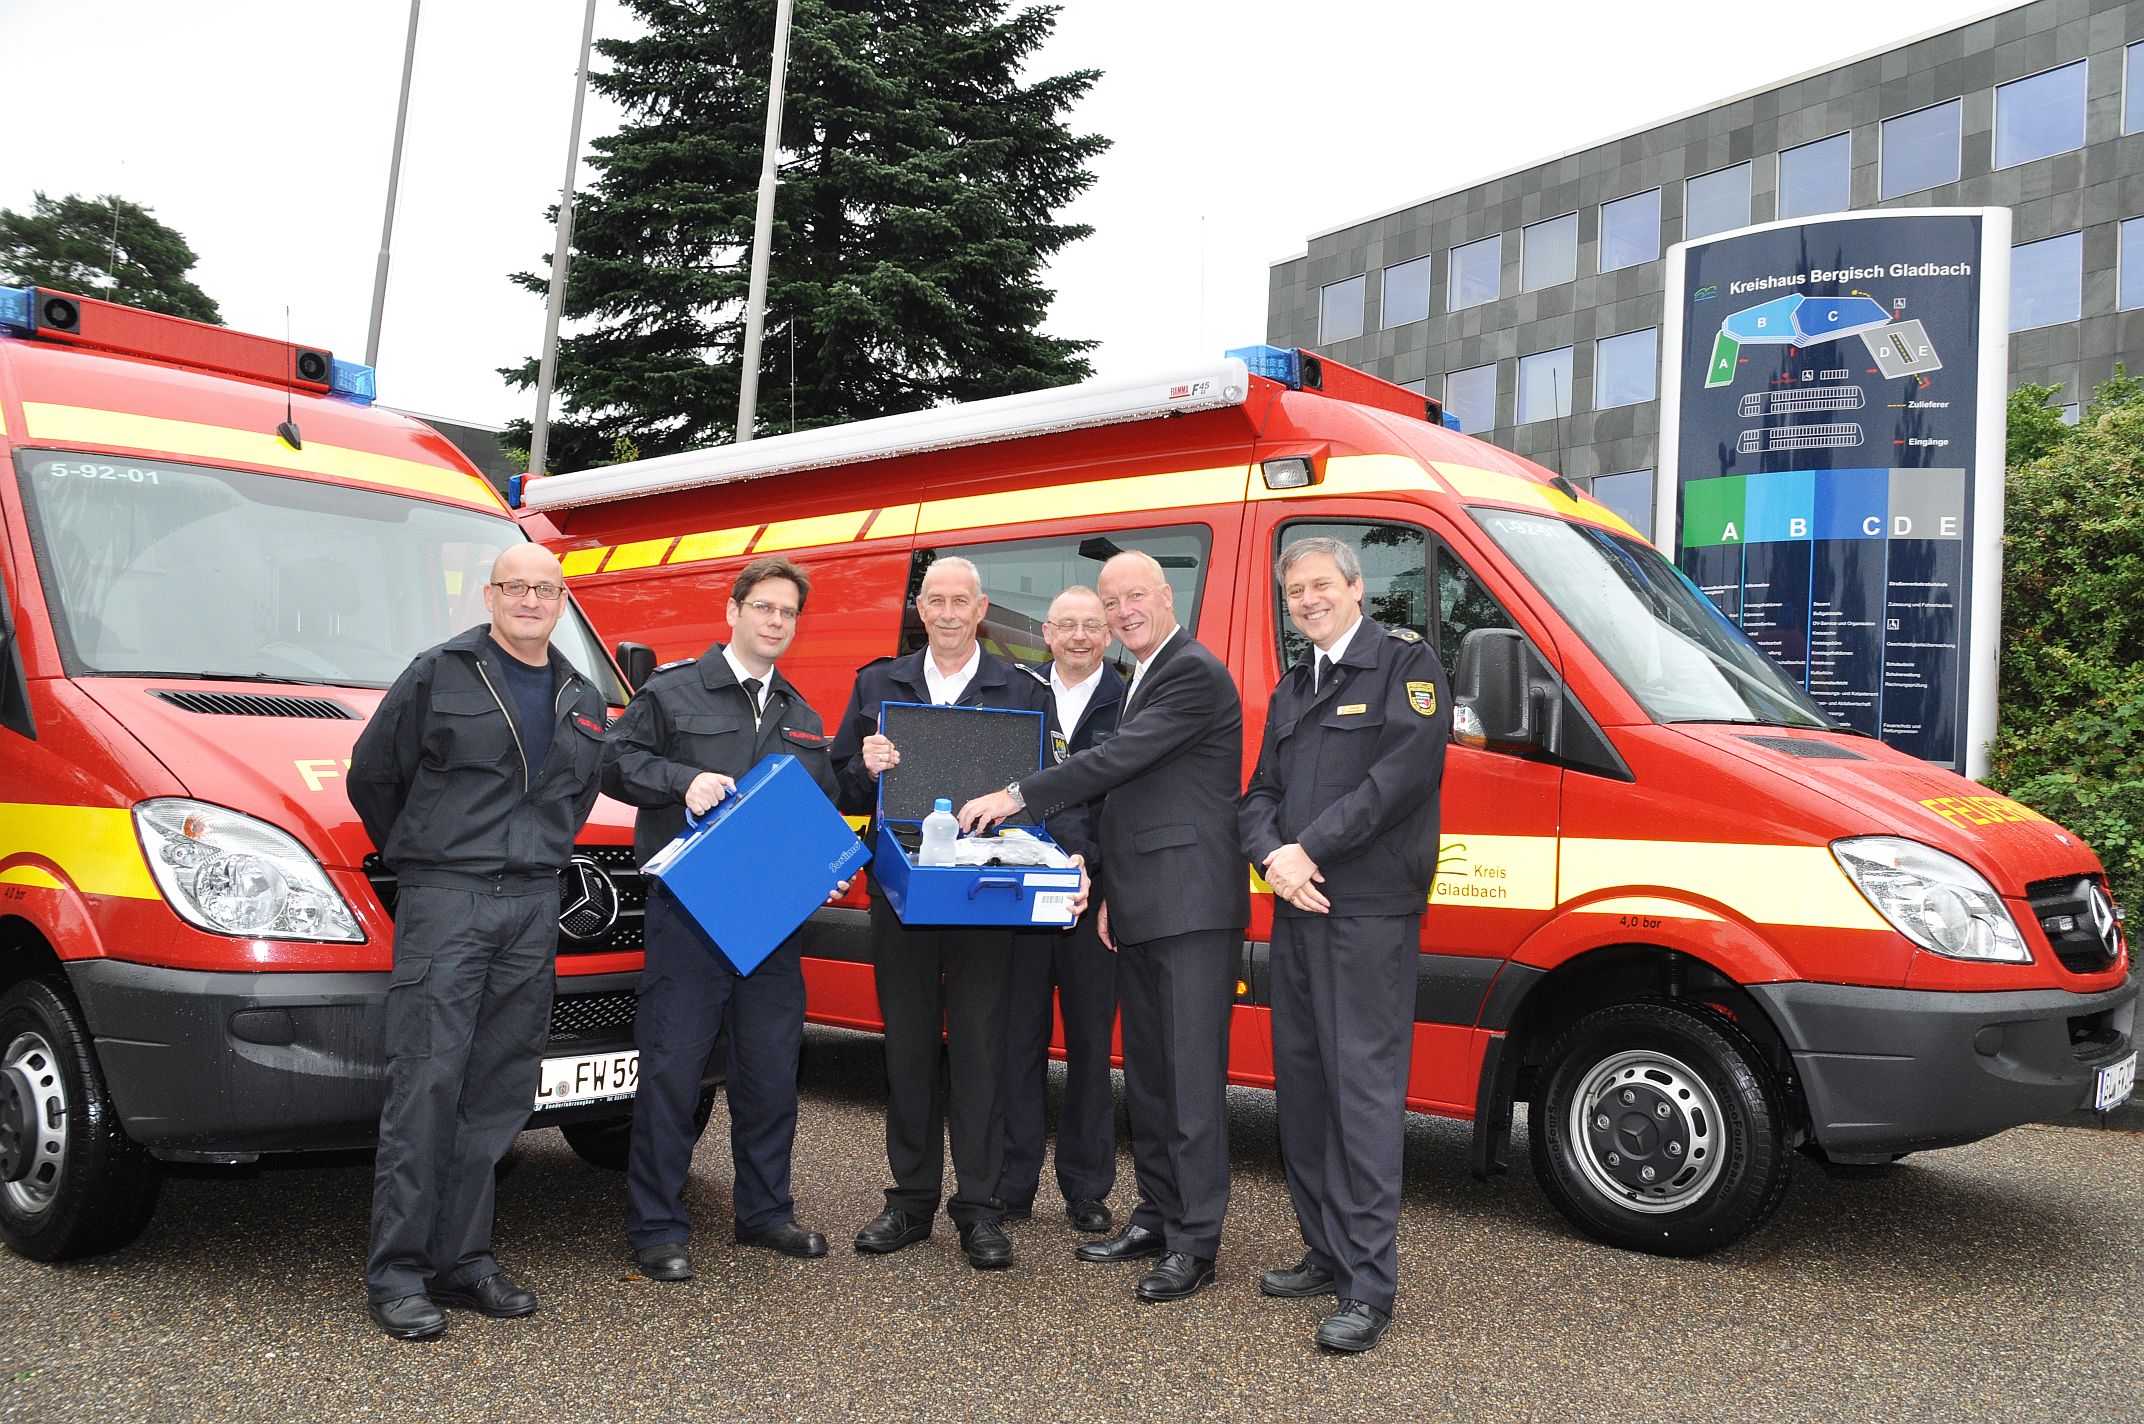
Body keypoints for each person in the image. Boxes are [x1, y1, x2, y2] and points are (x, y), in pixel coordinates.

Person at [959, 550, 1246, 1305]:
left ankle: (1195, 1242)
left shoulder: (1189, 671)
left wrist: (1019, 792)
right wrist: (1115, 887)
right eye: (1110, 602)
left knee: (1187, 1085)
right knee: (1149, 1081)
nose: (1121, 614)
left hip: (1190, 906)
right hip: (1147, 901)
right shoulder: (1147, 674)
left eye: (1131, 599)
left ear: (1164, 596)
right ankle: (1156, 1215)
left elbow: (1118, 762)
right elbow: (1136, 799)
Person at [349, 543, 610, 1342]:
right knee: (425, 1087)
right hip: (448, 903)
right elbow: (373, 776)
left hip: (533, 908)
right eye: (516, 586)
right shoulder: (441, 672)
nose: (531, 599)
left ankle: (464, 1261)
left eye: (546, 588)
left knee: (498, 1090)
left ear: (561, 601)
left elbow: (580, 791)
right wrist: (430, 857)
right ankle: (396, 1273)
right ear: (490, 593)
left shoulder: (580, 691)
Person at [601, 556, 842, 1283]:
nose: (776, 622)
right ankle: (656, 1228)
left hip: (771, 923)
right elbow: (614, 762)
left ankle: (765, 1213)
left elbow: (819, 811)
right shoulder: (672, 693)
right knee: (672, 1075)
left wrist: (819, 873)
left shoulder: (802, 716)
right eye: (764, 608)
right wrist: (683, 779)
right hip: (690, 916)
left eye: (787, 613)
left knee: (769, 1077)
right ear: (733, 611)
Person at [1238, 536, 1449, 1355]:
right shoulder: (1294, 688)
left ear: (1357, 588)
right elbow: (1258, 795)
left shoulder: (1406, 664)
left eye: (1322, 585)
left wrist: (1307, 850)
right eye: (1296, 592)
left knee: (1361, 1095)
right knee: (1305, 1089)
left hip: (1367, 912)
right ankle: (1324, 1251)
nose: (1309, 600)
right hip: (1297, 906)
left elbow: (1399, 779)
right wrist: (1272, 859)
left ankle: (1369, 1286)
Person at [828, 556, 1058, 1271]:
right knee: (907, 1049)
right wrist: (863, 767)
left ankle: (980, 1210)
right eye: (937, 601)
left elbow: (1046, 790)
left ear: (981, 608)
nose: (950, 612)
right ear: (920, 608)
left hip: (988, 894)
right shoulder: (878, 684)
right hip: (904, 891)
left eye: (963, 601)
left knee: (984, 1052)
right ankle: (910, 1202)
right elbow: (840, 782)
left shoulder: (1020, 689)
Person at [997, 586, 1124, 1237]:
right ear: (1046, 632)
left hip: (1092, 898)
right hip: (1020, 890)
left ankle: (1086, 1188)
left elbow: (1124, 802)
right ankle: (1013, 1185)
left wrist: (1089, 860)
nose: (1079, 636)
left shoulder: (1129, 701)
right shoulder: (1019, 693)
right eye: (1067, 624)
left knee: (1091, 1050)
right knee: (1016, 1043)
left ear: (1110, 634)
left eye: (1091, 626)